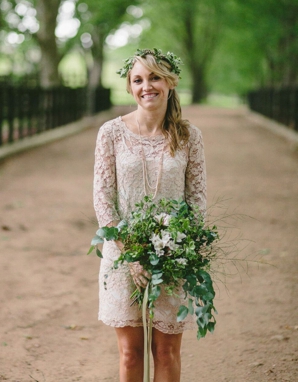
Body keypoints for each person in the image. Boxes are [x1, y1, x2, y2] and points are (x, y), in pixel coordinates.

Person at [93, 48, 206, 382]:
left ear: (170, 82)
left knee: (166, 353)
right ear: (130, 87)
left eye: (154, 77)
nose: (147, 86)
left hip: (172, 257)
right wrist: (130, 254)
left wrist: (178, 248)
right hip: (122, 255)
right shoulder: (111, 133)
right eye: (138, 79)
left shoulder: (189, 137)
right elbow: (102, 198)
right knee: (130, 356)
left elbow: (196, 199)